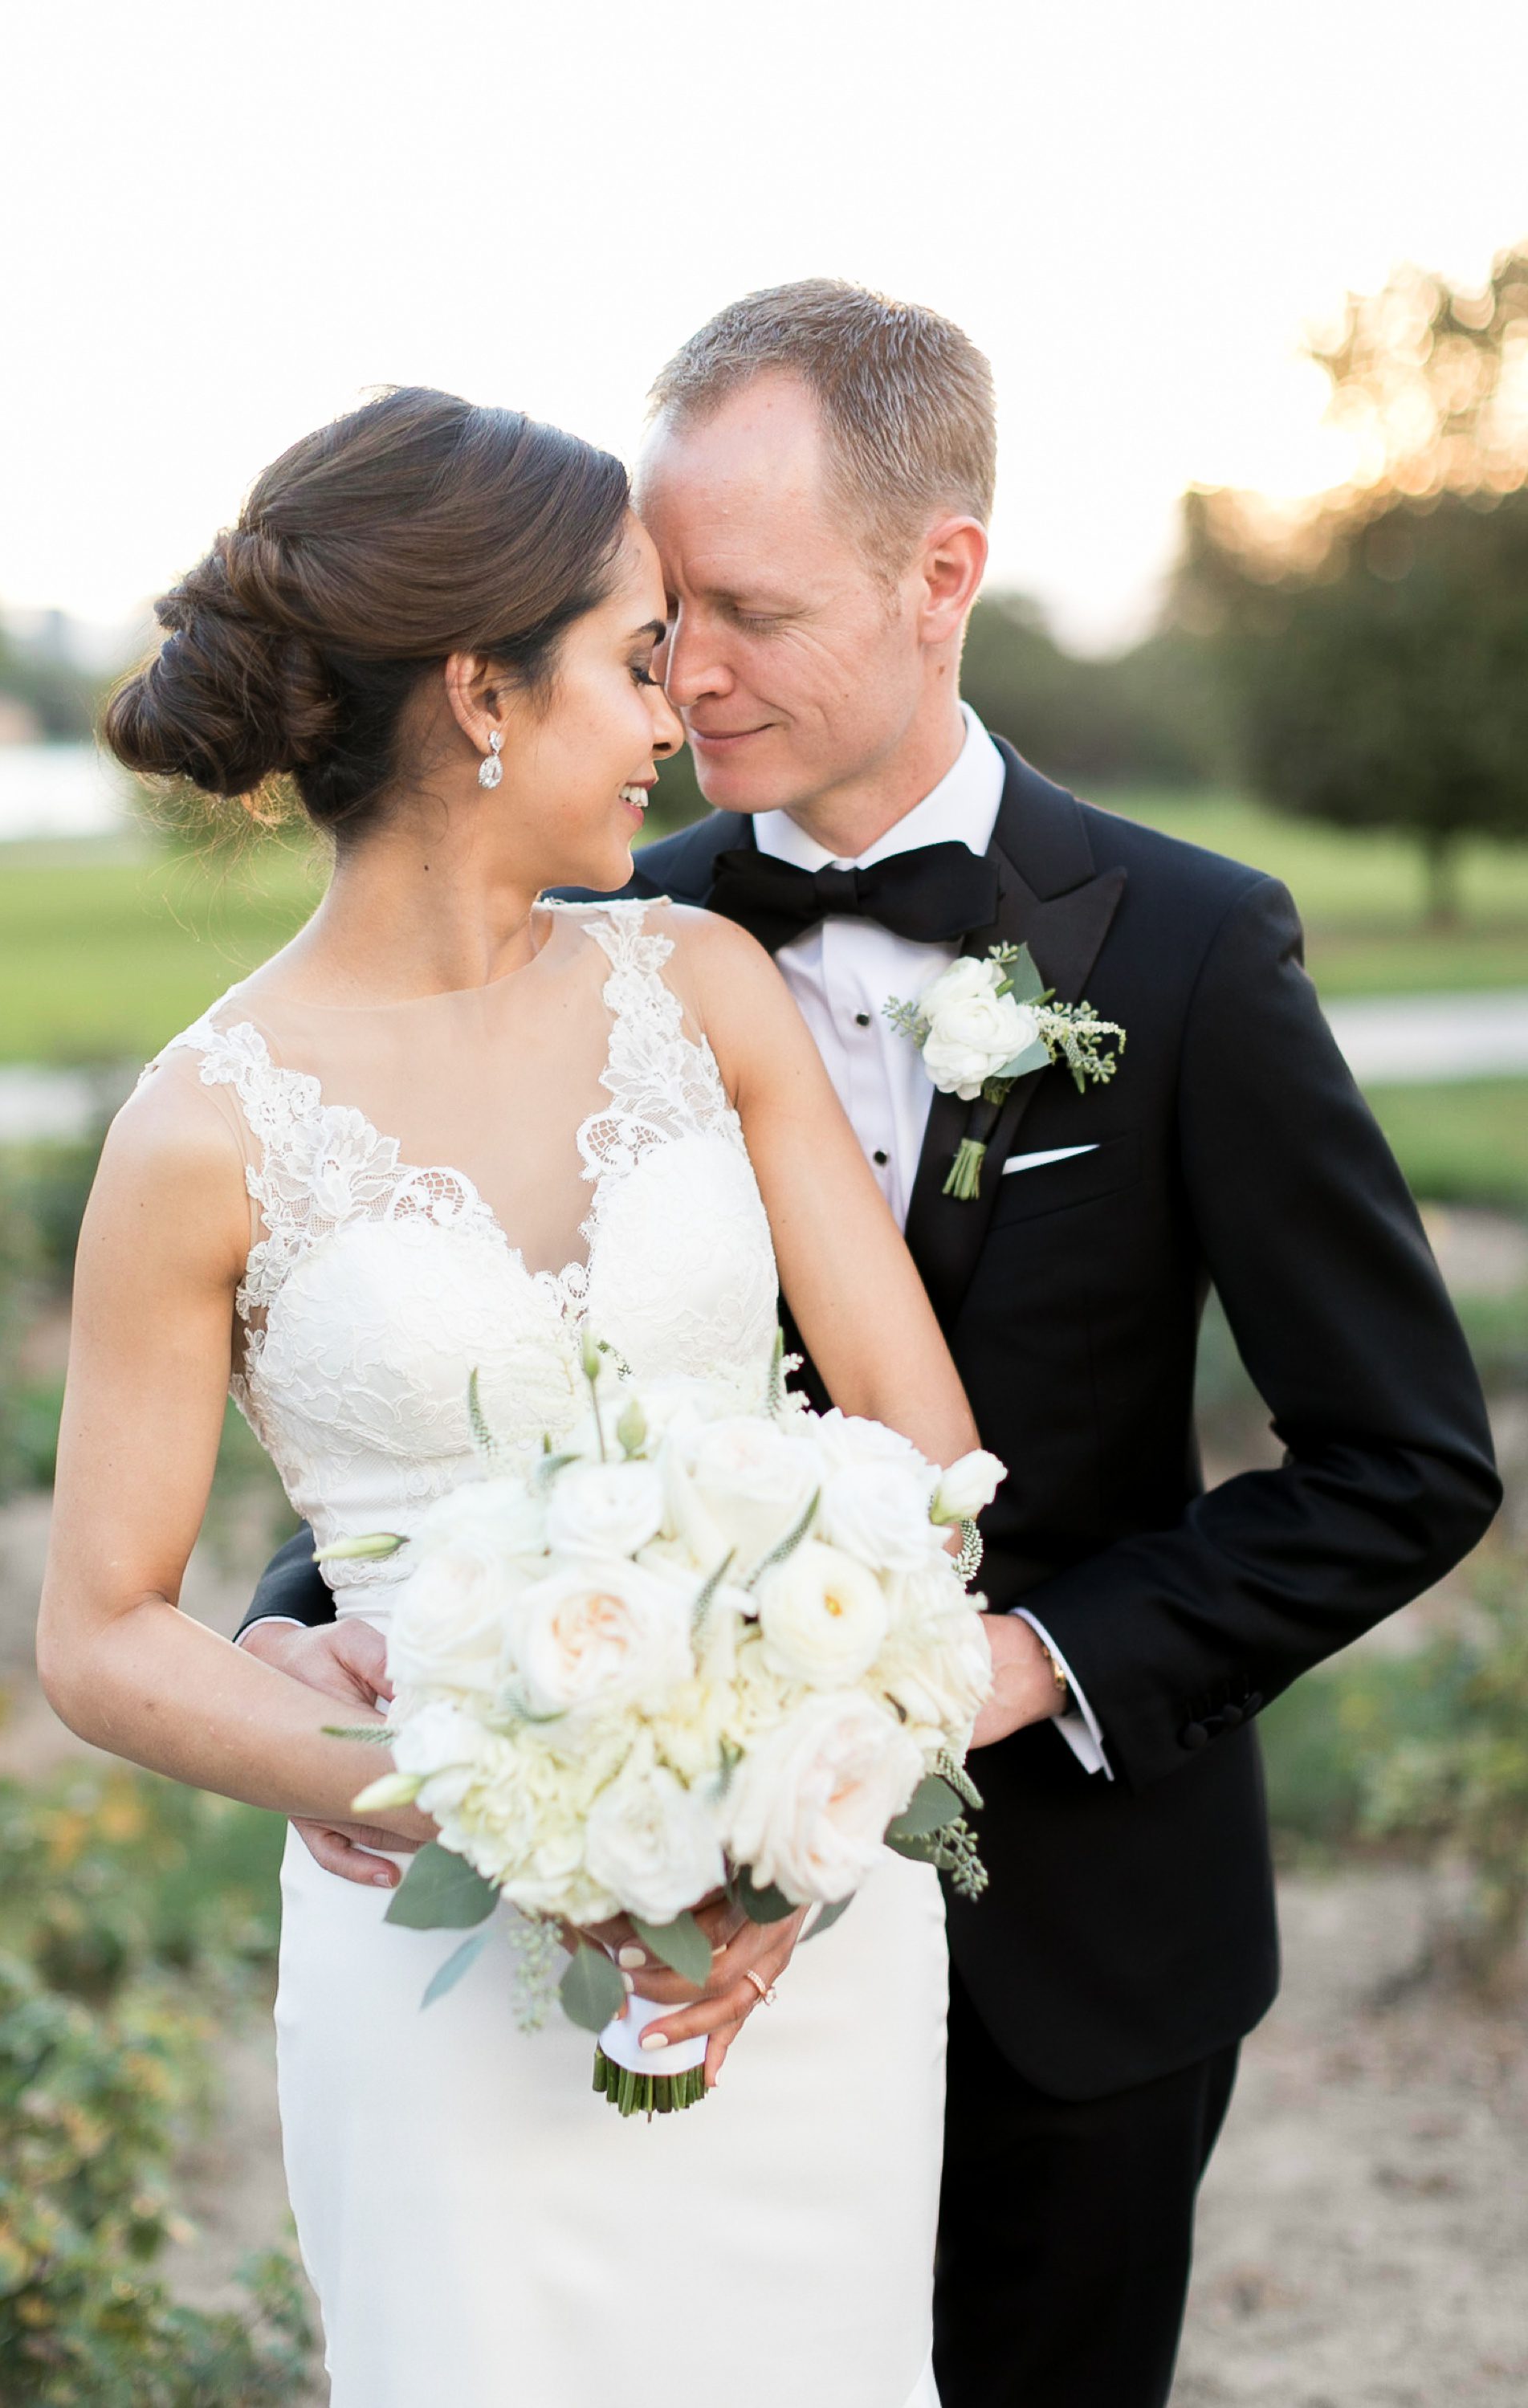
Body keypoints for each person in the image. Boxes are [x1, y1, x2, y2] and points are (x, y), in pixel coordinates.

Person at [240, 285, 1503, 2408]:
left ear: (944, 580)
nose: (687, 668)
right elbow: (468, 1361)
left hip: (1074, 1969)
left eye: (745, 606)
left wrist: (1013, 1671)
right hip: (625, 1945)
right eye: (657, 616)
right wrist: (301, 1613)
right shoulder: (602, 940)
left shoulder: (1193, 951)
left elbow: (1405, 1460)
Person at [37, 383, 1035, 2408]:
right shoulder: (199, 1133)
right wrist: (468, 1804)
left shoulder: (705, 987)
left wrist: (778, 1832)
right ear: (484, 694)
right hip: (442, 1972)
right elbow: (100, 1631)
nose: (678, 718)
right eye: (636, 658)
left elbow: (928, 1471)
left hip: (802, 1947)